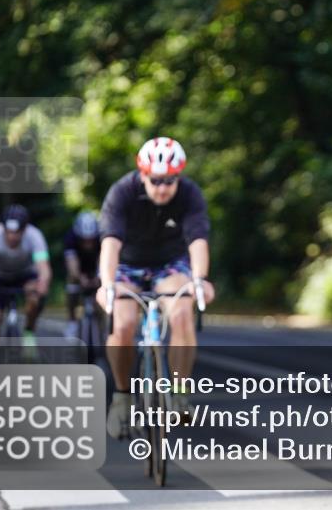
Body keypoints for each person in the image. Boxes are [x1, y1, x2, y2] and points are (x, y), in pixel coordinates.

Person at [96, 136, 215, 439]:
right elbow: (110, 244)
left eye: (170, 180)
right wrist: (107, 284)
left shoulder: (189, 194)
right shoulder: (122, 192)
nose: (163, 188)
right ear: (143, 175)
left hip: (170, 264)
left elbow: (198, 241)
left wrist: (200, 280)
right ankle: (122, 398)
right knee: (121, 324)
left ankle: (178, 393)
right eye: (156, 180)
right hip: (128, 263)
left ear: (179, 176)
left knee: (182, 311)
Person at [0, 205, 52, 345]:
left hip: (25, 275)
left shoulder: (35, 236)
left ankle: (29, 330)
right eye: (9, 232)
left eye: (17, 232)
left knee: (34, 299)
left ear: (24, 229)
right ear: (3, 227)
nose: (12, 236)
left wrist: (43, 281)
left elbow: (43, 267)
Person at [63, 211, 102, 339]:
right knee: (71, 284)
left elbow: (104, 259)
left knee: (104, 291)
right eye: (84, 240)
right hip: (79, 267)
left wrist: (100, 277)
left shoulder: (102, 237)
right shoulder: (70, 238)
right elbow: (71, 263)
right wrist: (79, 278)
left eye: (91, 240)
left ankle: (103, 327)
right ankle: (72, 321)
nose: (88, 244)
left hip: (96, 267)